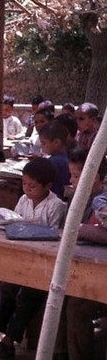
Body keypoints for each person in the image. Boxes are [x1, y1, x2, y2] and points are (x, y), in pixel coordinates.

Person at [0, 157, 67, 358]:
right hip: (21, 260)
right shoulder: (23, 200)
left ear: (47, 186)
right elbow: (14, 222)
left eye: (33, 185)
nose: (27, 189)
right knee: (6, 288)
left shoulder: (56, 205)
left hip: (43, 265)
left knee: (27, 295)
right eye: (24, 184)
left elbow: (54, 235)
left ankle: (9, 342)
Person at [61, 148, 107, 360]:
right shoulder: (80, 198)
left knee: (77, 308)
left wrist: (79, 229)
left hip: (100, 274)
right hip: (83, 268)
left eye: (77, 175)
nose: (72, 180)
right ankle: (59, 352)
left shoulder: (102, 200)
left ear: (94, 176)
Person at [38, 120, 70, 200]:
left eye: (43, 143)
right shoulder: (67, 157)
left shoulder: (52, 162)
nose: (41, 147)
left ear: (56, 142)